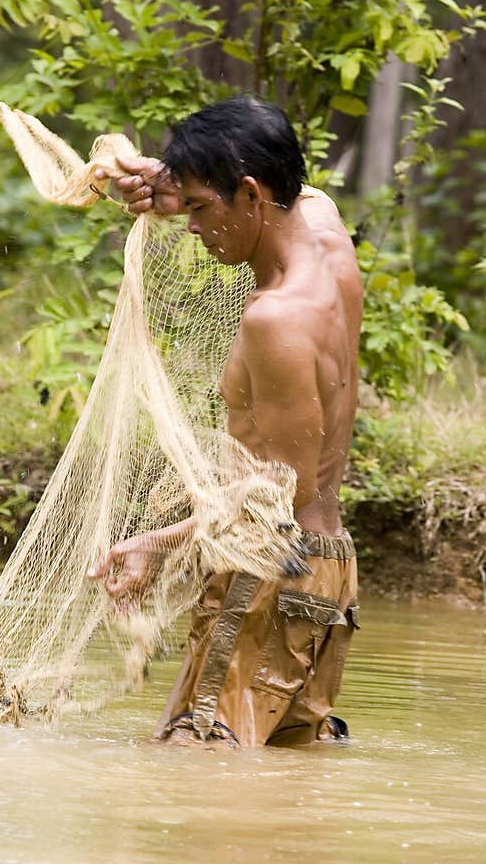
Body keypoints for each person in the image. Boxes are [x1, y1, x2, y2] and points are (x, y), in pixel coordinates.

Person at [88, 96, 363, 749]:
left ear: (249, 193)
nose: (190, 225)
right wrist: (172, 180)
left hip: (265, 577)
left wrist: (160, 542)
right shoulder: (328, 237)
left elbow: (277, 500)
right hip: (328, 574)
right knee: (283, 779)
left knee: (196, 762)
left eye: (201, 208)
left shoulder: (276, 318)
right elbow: (303, 190)